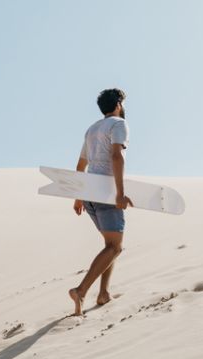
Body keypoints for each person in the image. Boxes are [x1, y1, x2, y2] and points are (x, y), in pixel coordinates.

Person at [69, 89, 133, 316]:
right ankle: (81, 291)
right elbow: (117, 156)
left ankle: (103, 293)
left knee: (110, 245)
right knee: (115, 247)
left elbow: (80, 165)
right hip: (105, 192)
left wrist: (79, 197)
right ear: (118, 104)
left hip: (89, 193)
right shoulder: (119, 124)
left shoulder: (92, 129)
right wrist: (120, 194)